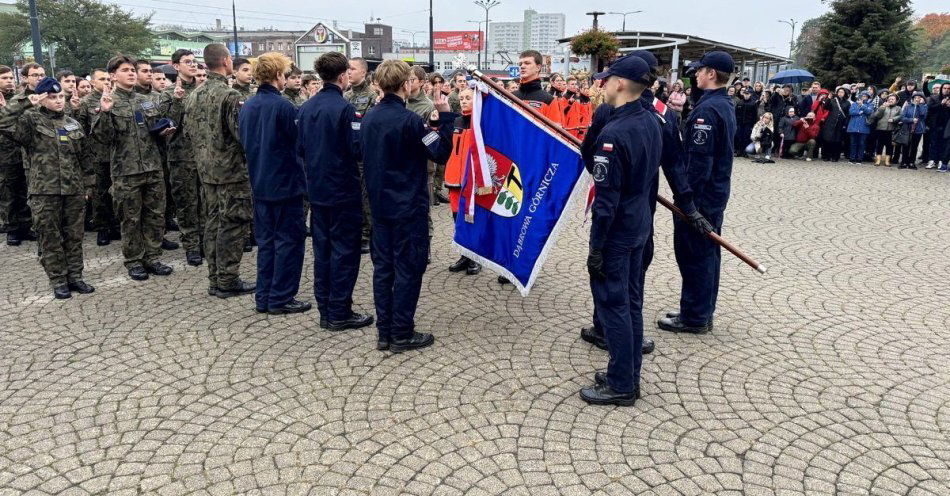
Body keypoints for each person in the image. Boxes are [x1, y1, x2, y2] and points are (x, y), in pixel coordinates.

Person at [578, 56, 660, 406]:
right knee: (632, 303)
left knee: (614, 305)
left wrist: (596, 248)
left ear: (621, 84)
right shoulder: (652, 120)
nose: (603, 85)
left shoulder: (613, 133)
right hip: (640, 224)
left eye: (607, 79)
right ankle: (627, 373)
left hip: (618, 233)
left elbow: (606, 203)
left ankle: (621, 385)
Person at [359, 59, 455, 353]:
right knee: (408, 269)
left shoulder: (369, 117)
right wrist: (447, 118)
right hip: (407, 206)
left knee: (383, 269)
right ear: (405, 85)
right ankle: (401, 332)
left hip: (379, 205)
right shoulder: (410, 120)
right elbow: (440, 153)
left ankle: (384, 331)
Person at [657, 51, 737, 335]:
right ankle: (702, 309)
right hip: (715, 193)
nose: (697, 75)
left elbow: (699, 164)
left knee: (695, 255)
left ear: (712, 74)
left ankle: (694, 316)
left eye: (700, 71)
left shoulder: (706, 111)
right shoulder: (724, 103)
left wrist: (686, 200)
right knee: (707, 253)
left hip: (702, 197)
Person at [297, 51, 376, 331]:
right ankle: (340, 311)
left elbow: (300, 148)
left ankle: (325, 310)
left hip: (317, 190)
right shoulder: (345, 109)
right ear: (343, 76)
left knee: (323, 252)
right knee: (344, 252)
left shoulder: (305, 107)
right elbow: (357, 149)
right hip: (342, 191)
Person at [0, 79, 96, 299]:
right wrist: (25, 101)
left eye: (61, 96)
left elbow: (85, 157)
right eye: (52, 97)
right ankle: (58, 280)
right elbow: (3, 122)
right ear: (42, 99)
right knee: (50, 237)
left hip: (73, 190)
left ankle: (75, 276)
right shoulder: (30, 121)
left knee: (74, 236)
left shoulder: (73, 123)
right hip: (44, 191)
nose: (58, 101)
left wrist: (88, 184)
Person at [237, 51, 310, 315]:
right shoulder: (283, 106)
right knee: (289, 241)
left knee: (267, 242)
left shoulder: (248, 106)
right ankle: (281, 297)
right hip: (284, 183)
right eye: (285, 74)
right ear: (279, 75)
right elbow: (299, 143)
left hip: (259, 181)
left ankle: (264, 295)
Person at [91, 55, 175, 281]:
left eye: (132, 70)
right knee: (130, 218)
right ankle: (134, 260)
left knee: (155, 215)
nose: (131, 73)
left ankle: (152, 257)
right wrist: (105, 112)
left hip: (152, 167)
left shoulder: (145, 100)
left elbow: (155, 130)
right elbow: (102, 138)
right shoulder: (108, 101)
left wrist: (164, 132)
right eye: (125, 70)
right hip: (126, 171)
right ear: (113, 75)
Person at [184, 43, 256, 297]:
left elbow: (188, 133)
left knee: (213, 223)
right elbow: (241, 135)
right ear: (226, 61)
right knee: (233, 224)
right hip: (231, 173)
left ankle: (215, 277)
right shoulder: (230, 95)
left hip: (206, 171)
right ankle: (227, 278)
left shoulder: (194, 94)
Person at [159, 49, 204, 267]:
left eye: (194, 62)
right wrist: (177, 102)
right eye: (187, 62)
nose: (192, 65)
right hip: (181, 157)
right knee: (187, 204)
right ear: (176, 66)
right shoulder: (169, 93)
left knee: (206, 203)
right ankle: (192, 246)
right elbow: (168, 125)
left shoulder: (203, 90)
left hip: (205, 155)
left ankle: (205, 241)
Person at [1, 63, 46, 246]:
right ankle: (13, 228)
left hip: (31, 154)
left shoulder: (46, 97)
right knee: (9, 190)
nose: (39, 78)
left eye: (42, 74)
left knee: (27, 191)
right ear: (26, 78)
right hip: (8, 152)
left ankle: (27, 225)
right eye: (35, 75)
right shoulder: (19, 100)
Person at [75, 69, 119, 246]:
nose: (106, 82)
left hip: (118, 154)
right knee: (100, 193)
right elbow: (81, 130)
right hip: (97, 155)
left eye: (108, 79)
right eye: (102, 79)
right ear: (93, 82)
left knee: (116, 193)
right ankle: (102, 228)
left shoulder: (116, 99)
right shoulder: (86, 102)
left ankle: (116, 224)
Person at [444, 85, 481, 276]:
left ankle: (475, 257)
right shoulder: (457, 120)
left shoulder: (481, 121)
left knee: (471, 219)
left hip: (472, 180)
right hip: (454, 179)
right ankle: (463, 255)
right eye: (462, 98)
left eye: (468, 97)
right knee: (457, 218)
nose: (464, 101)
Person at [344, 57, 376, 255]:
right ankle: (354, 229)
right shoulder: (345, 96)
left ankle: (366, 233)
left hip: (364, 155)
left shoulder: (372, 96)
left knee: (365, 195)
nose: (348, 72)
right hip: (347, 154)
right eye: (347, 69)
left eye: (353, 69)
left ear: (363, 72)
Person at [897, 91, 928, 169]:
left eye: (919, 98)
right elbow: (902, 118)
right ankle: (904, 162)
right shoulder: (908, 106)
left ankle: (911, 162)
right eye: (916, 98)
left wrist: (920, 105)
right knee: (905, 145)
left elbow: (923, 115)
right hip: (907, 128)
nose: (917, 99)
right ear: (913, 98)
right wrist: (911, 120)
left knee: (914, 146)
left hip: (918, 129)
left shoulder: (924, 106)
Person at [819, 87, 850, 162]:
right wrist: (828, 99)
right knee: (828, 139)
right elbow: (826, 107)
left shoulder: (847, 103)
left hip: (840, 124)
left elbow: (847, 114)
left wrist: (845, 124)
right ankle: (826, 156)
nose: (840, 93)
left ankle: (835, 156)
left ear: (844, 93)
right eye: (839, 92)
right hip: (830, 122)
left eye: (842, 92)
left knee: (837, 141)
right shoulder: (833, 101)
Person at [924, 83, 949, 169]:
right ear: (941, 89)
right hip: (935, 124)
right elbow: (930, 108)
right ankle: (932, 160)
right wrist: (941, 104)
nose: (946, 90)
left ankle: (941, 161)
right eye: (944, 88)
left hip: (946, 125)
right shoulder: (934, 97)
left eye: (948, 88)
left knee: (943, 144)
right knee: (933, 143)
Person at [871, 94, 900, 166]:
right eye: (889, 99)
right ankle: (878, 160)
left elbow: (900, 116)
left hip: (891, 129)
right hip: (881, 128)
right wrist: (883, 107)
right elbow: (877, 115)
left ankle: (887, 161)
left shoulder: (898, 108)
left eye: (892, 99)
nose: (890, 100)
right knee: (879, 145)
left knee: (889, 146)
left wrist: (894, 119)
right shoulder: (883, 106)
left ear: (896, 101)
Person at [846, 91, 874, 164]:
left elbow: (869, 112)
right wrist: (860, 112)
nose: (863, 97)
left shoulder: (870, 104)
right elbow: (851, 112)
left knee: (861, 144)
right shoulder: (854, 104)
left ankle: (859, 159)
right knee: (853, 143)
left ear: (868, 97)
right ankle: (852, 158)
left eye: (865, 96)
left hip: (864, 128)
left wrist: (862, 106)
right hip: (853, 127)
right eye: (862, 96)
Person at [734, 87, 758, 157]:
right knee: (739, 137)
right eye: (745, 94)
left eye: (748, 94)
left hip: (748, 124)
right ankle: (738, 151)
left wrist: (753, 125)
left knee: (746, 137)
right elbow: (736, 113)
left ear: (750, 94)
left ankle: (745, 152)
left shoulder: (753, 103)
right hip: (740, 123)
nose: (746, 95)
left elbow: (755, 115)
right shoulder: (740, 102)